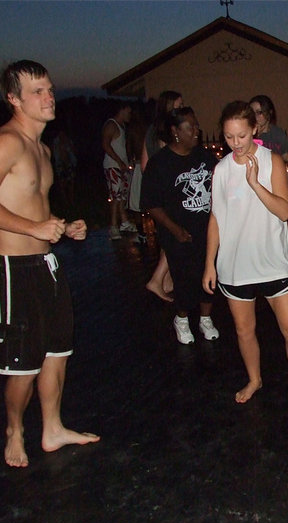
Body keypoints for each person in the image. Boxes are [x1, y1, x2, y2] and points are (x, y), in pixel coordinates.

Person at [0, 60, 100, 467]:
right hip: (11, 269)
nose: (48, 97)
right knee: (23, 365)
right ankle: (14, 429)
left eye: (50, 88)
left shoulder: (40, 148)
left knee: (58, 352)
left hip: (45, 265)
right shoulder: (5, 142)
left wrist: (60, 226)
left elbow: (33, 204)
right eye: (37, 91)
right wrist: (35, 228)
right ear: (13, 100)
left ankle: (52, 429)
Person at [203, 101, 288, 408]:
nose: (235, 143)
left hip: (272, 264)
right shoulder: (221, 170)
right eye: (229, 137)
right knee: (245, 331)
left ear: (254, 129)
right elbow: (216, 218)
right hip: (234, 266)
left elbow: (284, 212)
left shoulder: (272, 162)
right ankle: (254, 379)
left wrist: (256, 184)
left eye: (241, 135)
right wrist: (209, 264)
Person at [141, 107, 220, 344]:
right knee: (185, 278)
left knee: (210, 275)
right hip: (178, 232)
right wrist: (174, 229)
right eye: (190, 127)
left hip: (206, 229)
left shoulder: (204, 157)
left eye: (196, 126)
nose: (196, 131)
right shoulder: (161, 163)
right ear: (176, 132)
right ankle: (182, 318)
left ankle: (205, 319)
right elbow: (151, 203)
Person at [141, 90, 184, 302]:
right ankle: (157, 280)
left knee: (168, 235)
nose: (180, 109)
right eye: (177, 106)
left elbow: (143, 164)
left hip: (156, 190)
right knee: (175, 234)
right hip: (169, 190)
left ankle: (167, 281)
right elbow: (170, 161)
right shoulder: (167, 130)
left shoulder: (151, 130)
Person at [102, 101, 136, 240]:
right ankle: (113, 226)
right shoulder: (111, 125)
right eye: (128, 112)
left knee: (122, 196)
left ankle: (124, 222)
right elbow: (105, 145)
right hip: (113, 166)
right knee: (115, 197)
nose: (130, 115)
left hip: (121, 166)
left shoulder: (122, 126)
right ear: (121, 110)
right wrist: (119, 161)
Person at [249, 95, 288, 163]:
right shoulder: (247, 132)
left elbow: (285, 155)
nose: (255, 116)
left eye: (259, 112)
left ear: (269, 113)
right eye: (252, 113)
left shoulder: (277, 133)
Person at [51, 126, 77, 205]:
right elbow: (53, 153)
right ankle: (65, 201)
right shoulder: (55, 142)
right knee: (62, 183)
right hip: (60, 165)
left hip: (69, 164)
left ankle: (71, 200)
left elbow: (73, 151)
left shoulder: (68, 141)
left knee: (71, 183)